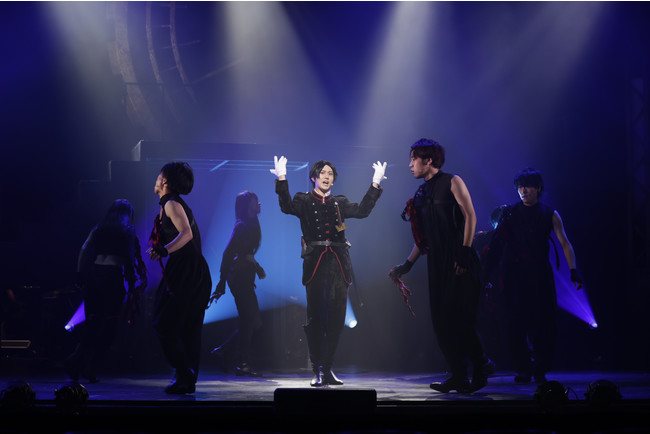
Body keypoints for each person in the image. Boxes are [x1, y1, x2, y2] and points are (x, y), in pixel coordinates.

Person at [271, 155, 387, 386]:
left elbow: (362, 211)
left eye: (330, 174)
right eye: (322, 173)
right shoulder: (304, 200)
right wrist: (282, 178)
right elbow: (286, 207)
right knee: (316, 319)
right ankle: (317, 370)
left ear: (334, 180)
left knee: (336, 319)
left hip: (339, 265)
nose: (326, 177)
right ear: (314, 177)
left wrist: (375, 183)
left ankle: (328, 368)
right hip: (315, 265)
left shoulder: (339, 202)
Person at [390, 138, 493, 393]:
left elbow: (470, 215)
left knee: (461, 319)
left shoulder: (452, 181)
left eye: (414, 159)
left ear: (428, 160)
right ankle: (459, 374)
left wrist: (465, 252)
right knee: (441, 321)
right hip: (437, 262)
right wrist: (407, 265)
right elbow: (423, 238)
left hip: (459, 257)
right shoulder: (421, 193)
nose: (410, 164)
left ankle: (480, 364)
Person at [482, 168, 583, 384]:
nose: (523, 191)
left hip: (539, 275)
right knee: (514, 324)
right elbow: (496, 245)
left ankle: (540, 369)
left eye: (527, 186)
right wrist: (485, 274)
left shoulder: (549, 214)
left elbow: (565, 243)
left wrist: (573, 270)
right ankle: (523, 369)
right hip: (514, 276)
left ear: (538, 188)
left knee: (544, 324)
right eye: (520, 187)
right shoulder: (510, 213)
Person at [65, 199, 147, 383]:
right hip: (112, 278)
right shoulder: (127, 230)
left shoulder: (99, 228)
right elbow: (128, 256)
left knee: (93, 324)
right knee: (109, 327)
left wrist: (79, 274)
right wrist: (131, 282)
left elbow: (84, 249)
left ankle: (76, 361)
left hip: (95, 276)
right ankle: (88, 365)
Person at [148, 161, 212, 394]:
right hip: (190, 269)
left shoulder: (171, 204)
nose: (156, 179)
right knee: (187, 328)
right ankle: (187, 378)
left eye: (159, 175)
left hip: (187, 270)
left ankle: (185, 373)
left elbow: (186, 234)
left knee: (163, 322)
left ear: (165, 180)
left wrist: (165, 250)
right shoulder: (170, 204)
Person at [209, 191, 266, 377]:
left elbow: (246, 253)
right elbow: (228, 253)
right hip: (238, 277)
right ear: (247, 205)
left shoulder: (251, 224)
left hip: (245, 276)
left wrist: (257, 267)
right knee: (251, 321)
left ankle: (225, 351)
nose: (259, 203)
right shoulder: (242, 226)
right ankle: (241, 363)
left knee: (250, 321)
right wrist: (221, 282)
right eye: (255, 201)